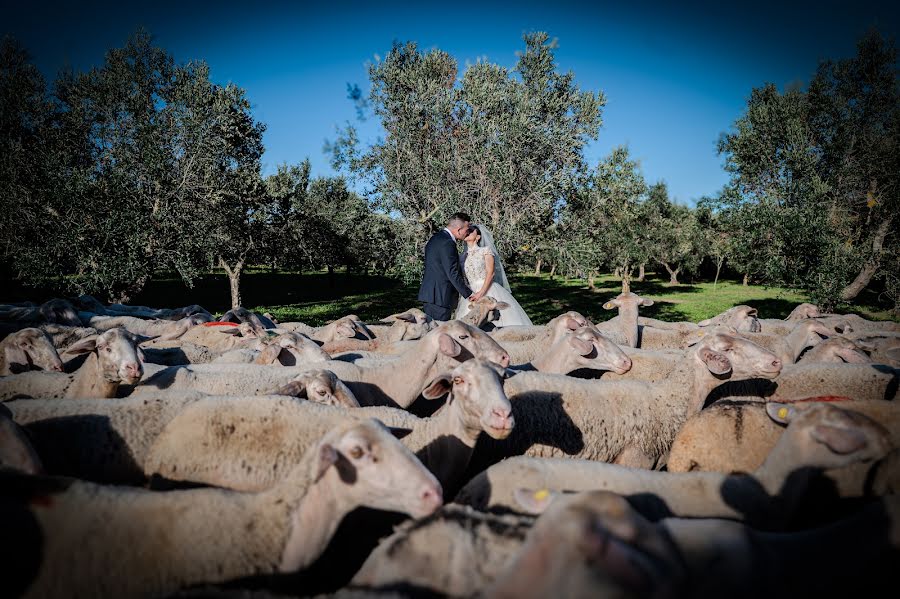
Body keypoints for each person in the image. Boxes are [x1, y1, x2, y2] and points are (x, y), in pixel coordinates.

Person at [455, 224, 533, 327]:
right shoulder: (462, 256)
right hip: (471, 293)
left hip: (488, 289)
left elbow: (490, 273)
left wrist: (481, 293)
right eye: (467, 231)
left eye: (472, 231)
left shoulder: (485, 251)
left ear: (478, 237)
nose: (468, 232)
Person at [417, 212, 475, 322]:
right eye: (467, 230)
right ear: (459, 229)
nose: (467, 233)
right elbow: (452, 273)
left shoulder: (436, 238)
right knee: (439, 333)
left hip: (432, 295)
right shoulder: (447, 243)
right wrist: (469, 295)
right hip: (440, 296)